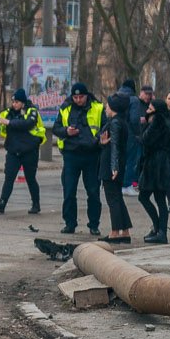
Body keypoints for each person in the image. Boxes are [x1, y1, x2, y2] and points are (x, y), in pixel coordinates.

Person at [52, 82, 105, 236]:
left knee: (93, 192)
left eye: (81, 97)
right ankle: (70, 223)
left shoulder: (98, 107)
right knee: (69, 191)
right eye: (75, 97)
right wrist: (66, 131)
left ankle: (94, 224)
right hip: (71, 154)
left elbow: (105, 127)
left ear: (86, 96)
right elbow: (56, 128)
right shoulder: (66, 108)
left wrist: (96, 140)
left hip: (92, 155)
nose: (78, 100)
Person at [0, 88, 45, 214]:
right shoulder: (7, 113)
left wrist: (9, 122)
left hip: (29, 151)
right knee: (9, 177)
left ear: (23, 102)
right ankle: (2, 203)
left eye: (17, 102)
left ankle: (36, 204)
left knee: (30, 178)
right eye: (13, 102)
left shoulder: (31, 111)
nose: (14, 104)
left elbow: (27, 124)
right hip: (13, 151)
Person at [138, 98, 170, 244]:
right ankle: (159, 230)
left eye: (150, 108)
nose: (147, 110)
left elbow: (145, 140)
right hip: (160, 164)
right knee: (159, 199)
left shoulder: (158, 123)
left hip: (156, 166)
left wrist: (146, 125)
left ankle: (160, 230)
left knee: (146, 197)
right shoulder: (165, 123)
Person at [99, 93, 133, 243]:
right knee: (118, 197)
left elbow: (115, 147)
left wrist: (114, 167)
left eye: (108, 104)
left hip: (111, 166)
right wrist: (103, 142)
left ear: (113, 107)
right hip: (118, 164)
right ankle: (124, 231)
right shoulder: (120, 121)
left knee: (112, 199)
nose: (106, 107)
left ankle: (115, 232)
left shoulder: (115, 123)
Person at [123, 83, 153, 195]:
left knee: (138, 162)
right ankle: (128, 184)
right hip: (136, 137)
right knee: (133, 162)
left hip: (143, 137)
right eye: (146, 94)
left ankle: (134, 183)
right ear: (141, 93)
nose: (148, 96)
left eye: (150, 94)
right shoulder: (135, 102)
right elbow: (134, 120)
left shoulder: (148, 104)